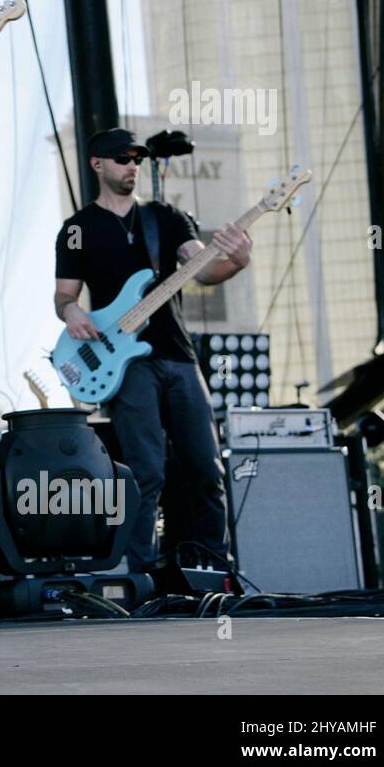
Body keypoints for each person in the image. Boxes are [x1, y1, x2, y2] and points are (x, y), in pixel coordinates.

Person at [53, 128, 252, 573]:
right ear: (97, 165)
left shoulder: (167, 218)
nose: (132, 166)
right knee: (146, 472)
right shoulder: (77, 230)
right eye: (122, 158)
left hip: (178, 356)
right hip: (125, 364)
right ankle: (140, 576)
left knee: (206, 467)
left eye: (137, 159)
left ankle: (215, 570)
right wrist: (72, 314)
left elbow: (203, 271)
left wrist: (237, 260)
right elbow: (64, 296)